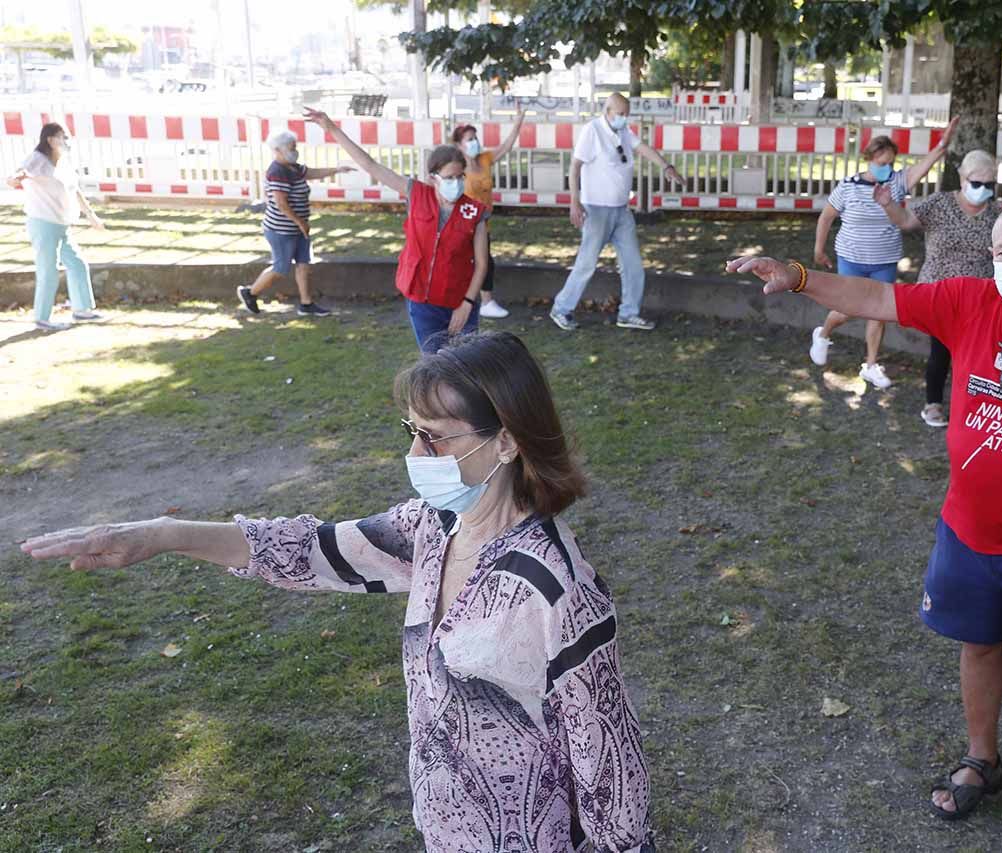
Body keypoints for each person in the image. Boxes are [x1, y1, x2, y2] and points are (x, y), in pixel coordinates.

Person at [20, 332, 655, 853]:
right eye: (411, 429)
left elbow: (612, 781)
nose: (415, 451)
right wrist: (164, 535)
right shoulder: (433, 527)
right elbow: (313, 551)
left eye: (436, 436)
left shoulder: (560, 592)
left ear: (509, 440)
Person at [727, 200, 1002, 850]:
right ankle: (982, 759)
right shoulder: (968, 303)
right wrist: (799, 274)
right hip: (967, 529)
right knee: (978, 645)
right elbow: (876, 295)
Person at [303, 107, 488, 352]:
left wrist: (467, 303)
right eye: (450, 177)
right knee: (433, 365)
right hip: (422, 302)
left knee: (467, 364)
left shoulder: (475, 211)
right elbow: (370, 164)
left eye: (460, 177)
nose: (456, 183)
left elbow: (482, 263)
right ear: (434, 177)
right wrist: (331, 128)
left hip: (459, 302)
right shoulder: (416, 193)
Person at [809, 118, 957, 389]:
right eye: (880, 163)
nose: (885, 168)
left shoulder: (898, 182)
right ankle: (824, 332)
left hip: (885, 259)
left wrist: (942, 145)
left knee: (879, 312)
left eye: (889, 162)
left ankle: (871, 365)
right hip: (852, 258)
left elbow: (924, 167)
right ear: (869, 159)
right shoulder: (848, 185)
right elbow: (826, 217)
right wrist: (819, 249)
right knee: (848, 309)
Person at [874, 148, 1000, 427]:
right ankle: (933, 404)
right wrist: (887, 204)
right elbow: (906, 221)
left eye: (989, 185)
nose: (983, 190)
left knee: (977, 353)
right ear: (963, 178)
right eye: (976, 183)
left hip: (980, 295)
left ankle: (976, 407)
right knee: (942, 349)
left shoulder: (997, 213)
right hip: (939, 293)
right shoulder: (940, 204)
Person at [549, 93, 686, 332]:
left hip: (622, 212)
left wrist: (666, 166)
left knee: (633, 265)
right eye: (620, 114)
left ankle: (629, 313)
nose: (624, 118)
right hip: (596, 210)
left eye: (626, 114)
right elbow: (575, 166)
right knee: (586, 263)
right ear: (607, 111)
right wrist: (574, 201)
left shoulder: (622, 131)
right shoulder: (592, 130)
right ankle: (561, 309)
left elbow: (643, 148)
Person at [237, 129, 354, 317]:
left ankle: (306, 304)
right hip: (282, 230)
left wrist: (337, 170)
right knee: (280, 268)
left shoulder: (294, 167)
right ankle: (249, 293)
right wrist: (300, 223)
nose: (295, 151)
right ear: (277, 150)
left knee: (303, 263)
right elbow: (281, 203)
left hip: (298, 228)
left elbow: (312, 172)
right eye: (291, 148)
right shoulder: (277, 171)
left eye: (295, 148)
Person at [6, 122, 104, 332]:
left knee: (77, 264)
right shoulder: (37, 160)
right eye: (63, 137)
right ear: (50, 140)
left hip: (61, 225)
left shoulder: (63, 163)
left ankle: (82, 309)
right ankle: (42, 318)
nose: (67, 141)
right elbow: (18, 175)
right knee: (48, 272)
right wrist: (16, 179)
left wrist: (91, 215)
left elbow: (74, 190)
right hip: (43, 225)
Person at [453, 103, 528, 319]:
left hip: (483, 223)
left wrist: (518, 122)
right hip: (465, 223)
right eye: (469, 139)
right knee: (478, 261)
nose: (475, 142)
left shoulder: (485, 160)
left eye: (475, 138)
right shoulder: (457, 168)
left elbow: (506, 146)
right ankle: (482, 301)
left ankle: (483, 302)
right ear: (459, 145)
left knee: (483, 261)